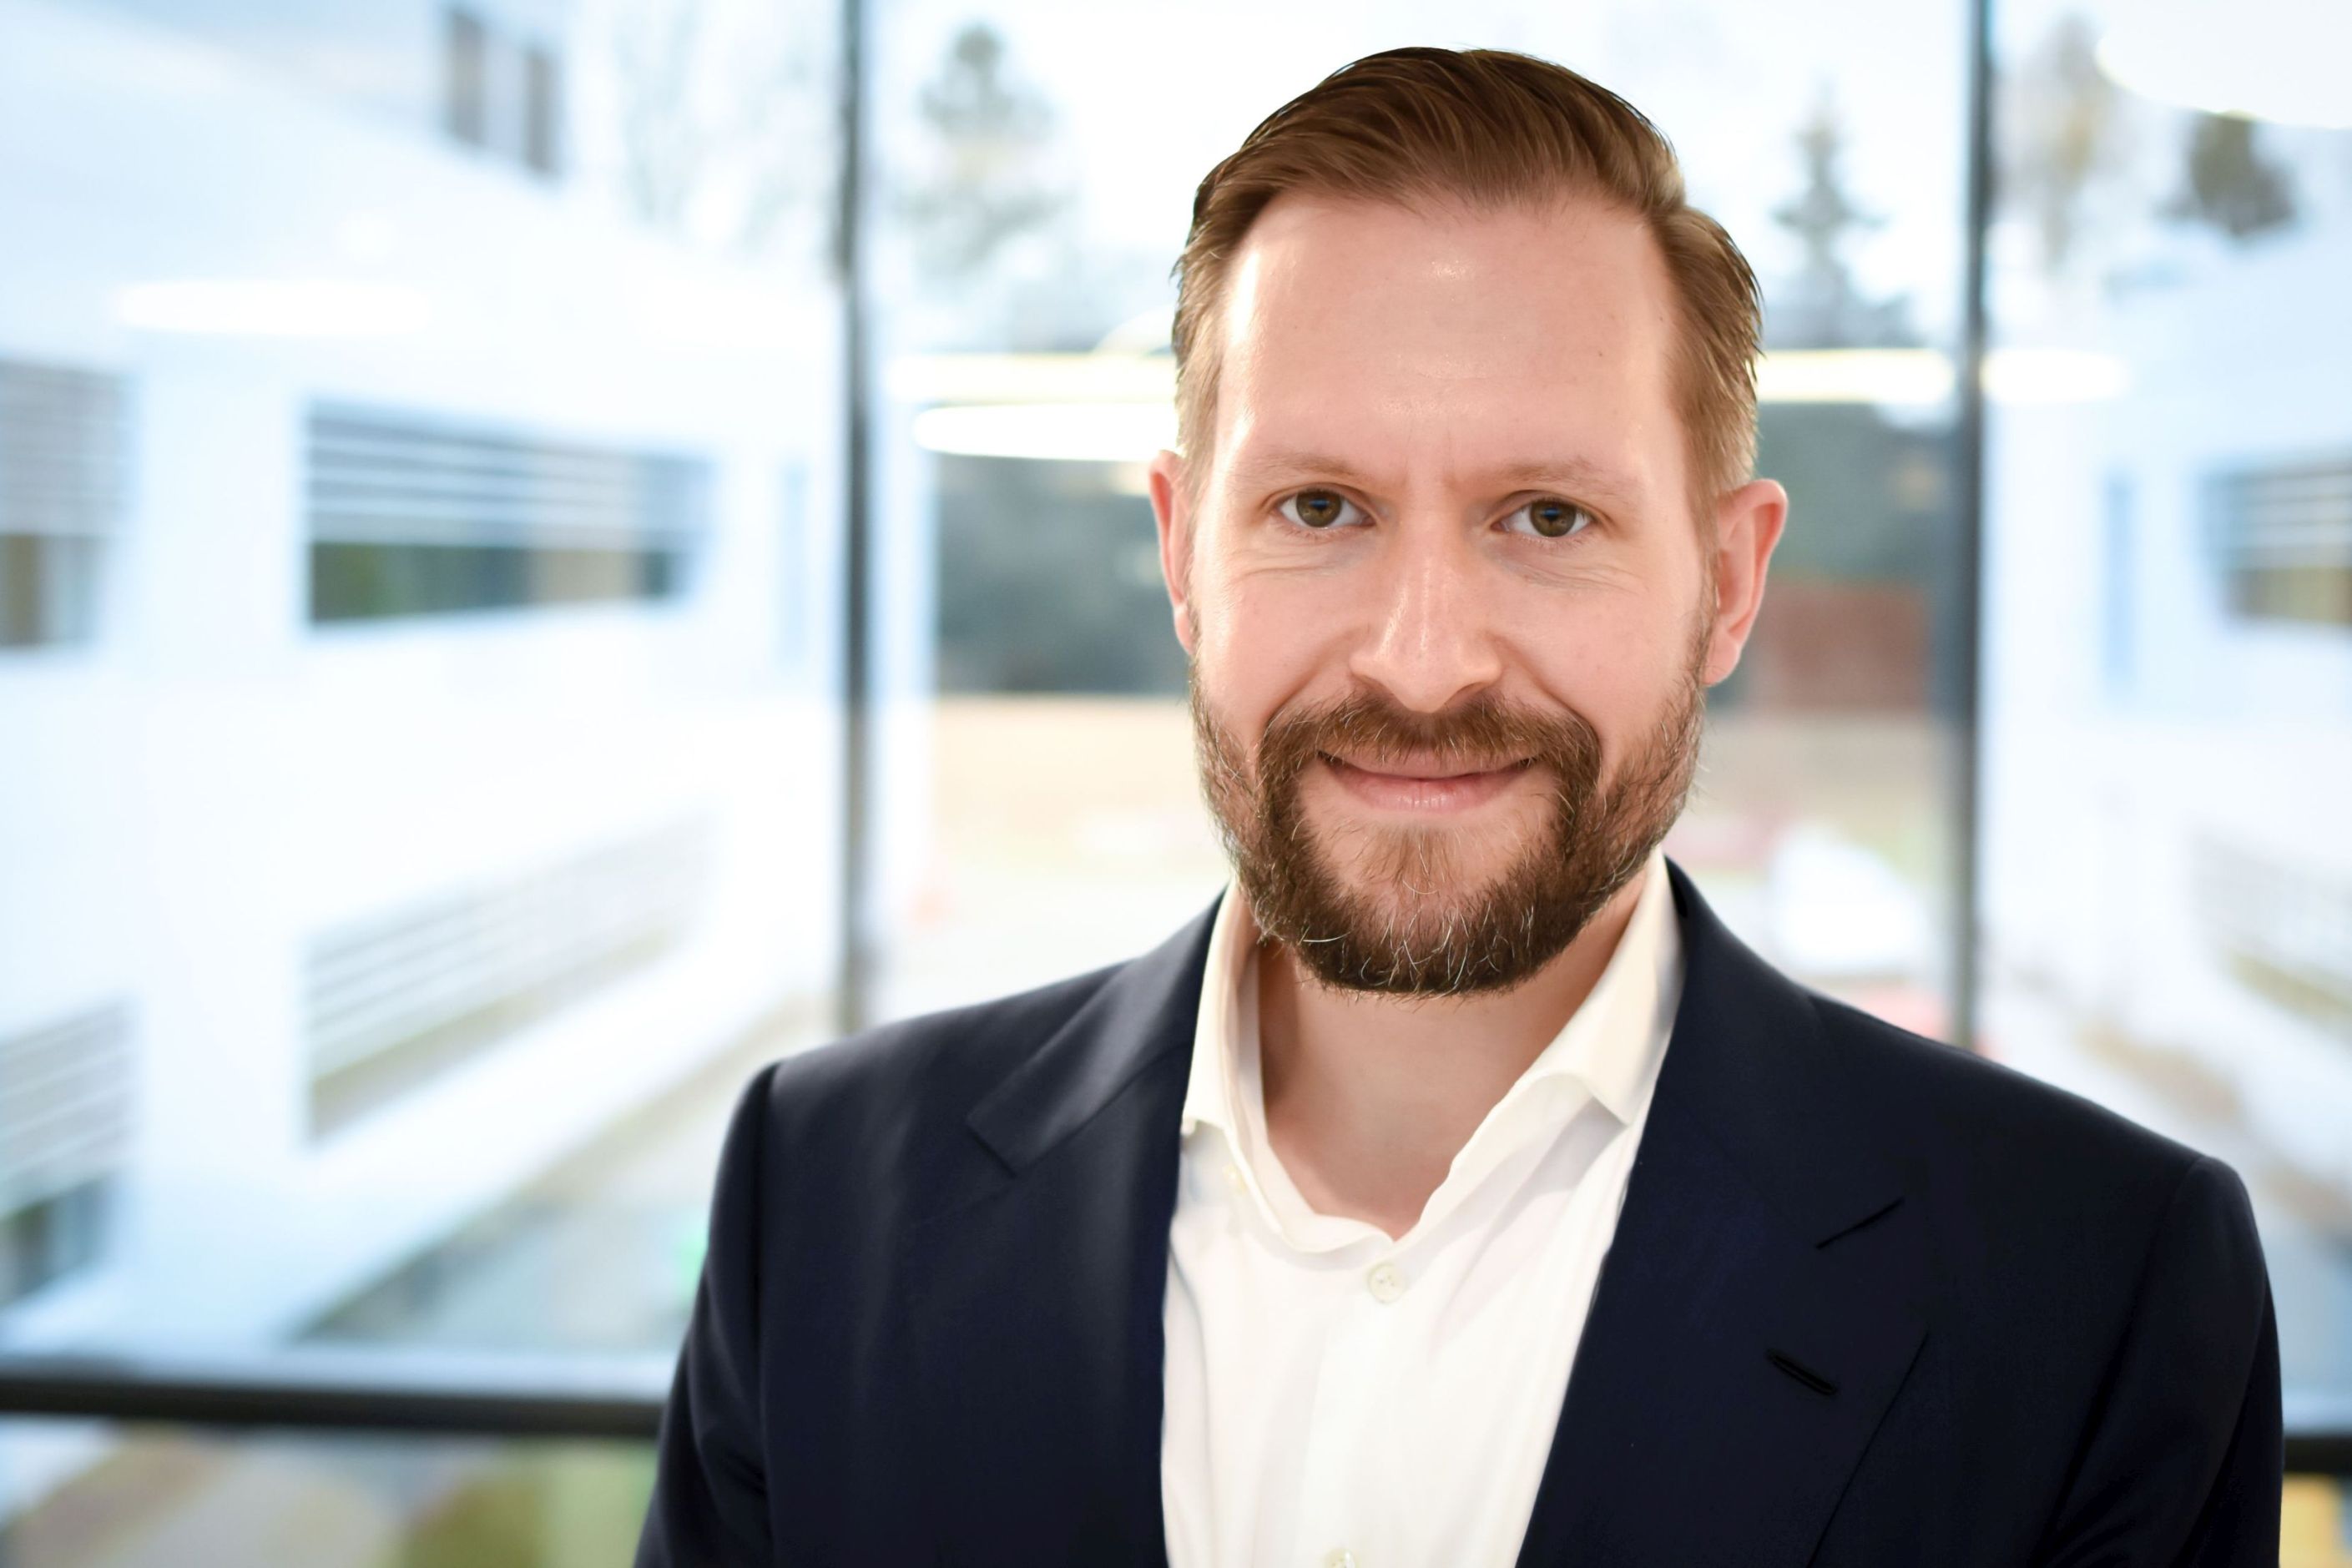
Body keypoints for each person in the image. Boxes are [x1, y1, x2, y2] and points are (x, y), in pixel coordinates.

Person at [634, 46, 2281, 1568]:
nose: (1422, 664)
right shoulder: (822, 1194)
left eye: (1545, 518)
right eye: (1319, 507)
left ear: (1725, 583)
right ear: (1182, 555)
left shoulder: (2097, 1289)